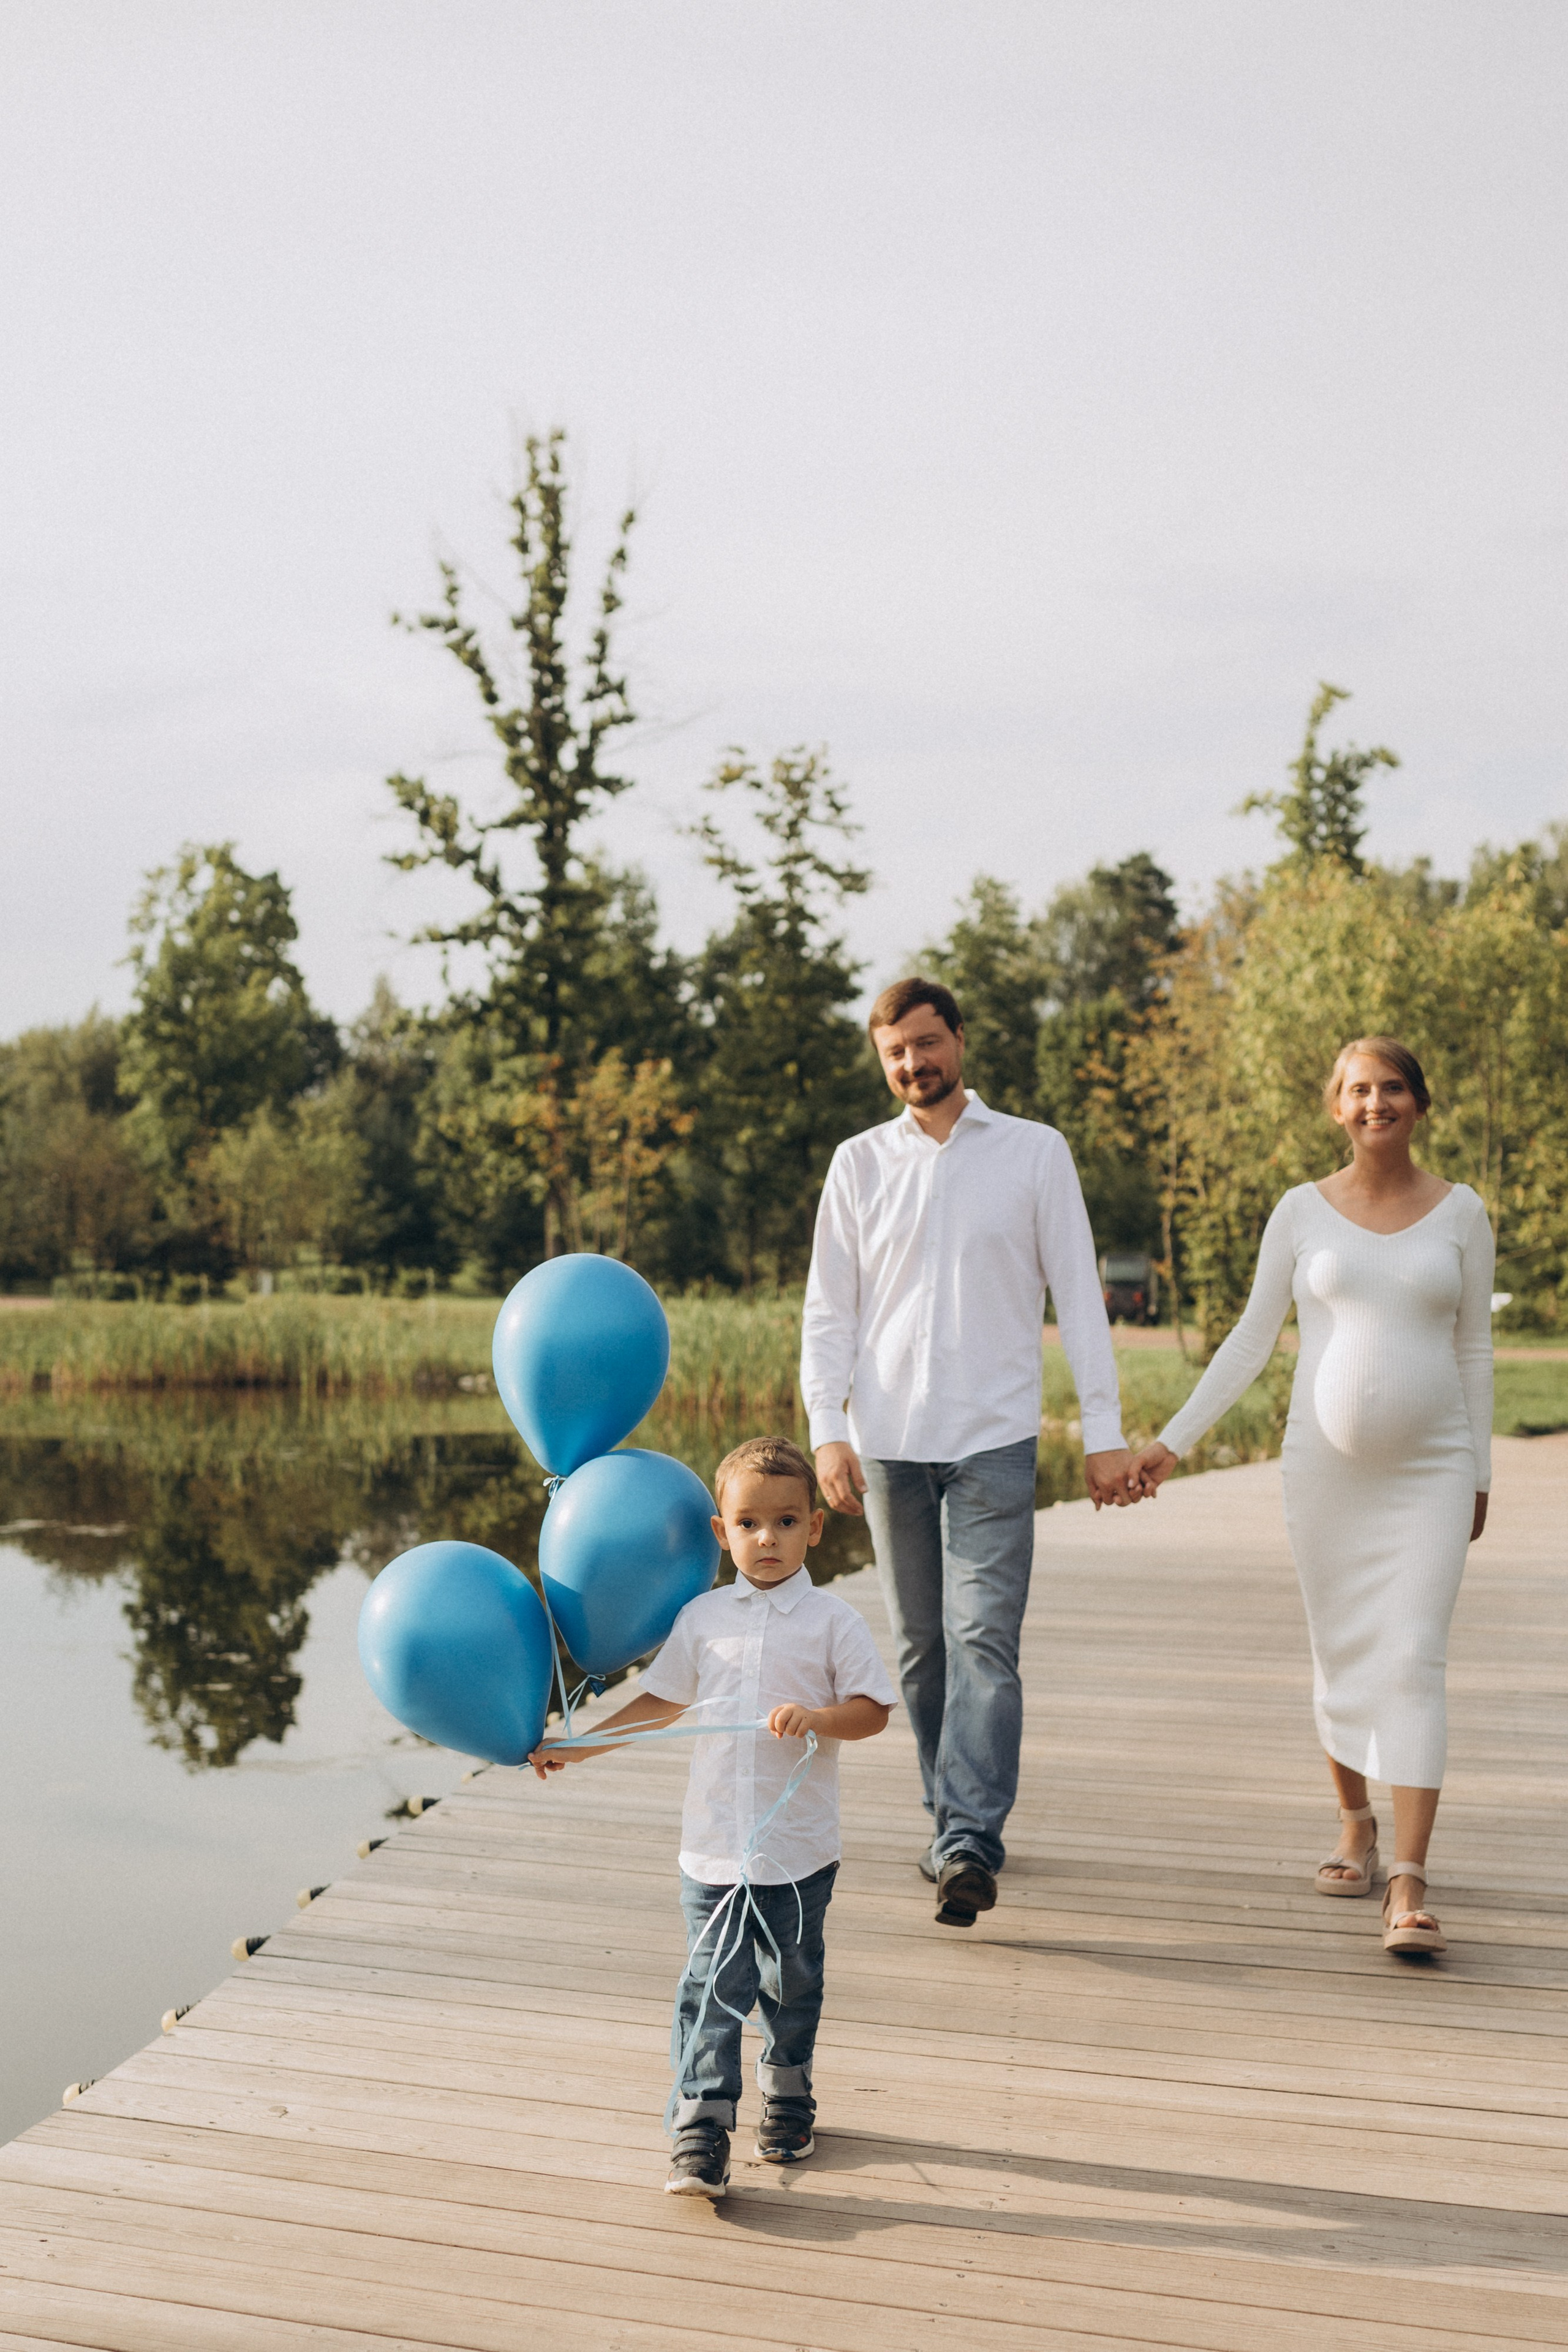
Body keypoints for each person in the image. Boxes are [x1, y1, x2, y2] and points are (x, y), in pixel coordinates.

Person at [1128, 1038, 1494, 1958]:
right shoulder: (1300, 1212)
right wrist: (1173, 1444)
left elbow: (1474, 1350)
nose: (1377, 1102)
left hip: (1433, 1471)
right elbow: (1252, 1341)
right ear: (1336, 1106)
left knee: (1413, 1656)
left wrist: (1483, 1472)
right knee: (1341, 1652)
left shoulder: (1462, 1212)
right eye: (1359, 1090)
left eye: (1394, 1087)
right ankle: (1355, 1823)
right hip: (1323, 1475)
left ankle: (1408, 1877)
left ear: (1419, 1102)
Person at [801, 976, 1137, 1930]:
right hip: (891, 1443)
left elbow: (1079, 1296)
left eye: (925, 1042)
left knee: (984, 1637)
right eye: (895, 1052)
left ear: (960, 1040)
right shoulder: (858, 1165)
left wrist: (1103, 1435)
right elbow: (830, 1311)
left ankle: (969, 1842)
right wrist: (828, 1424)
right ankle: (949, 1819)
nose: (914, 1063)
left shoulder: (1034, 1153)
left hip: (995, 1439)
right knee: (920, 1650)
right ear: (883, 1062)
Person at [528, 1435, 894, 2199]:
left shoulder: (832, 1622)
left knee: (791, 1984)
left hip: (798, 1853)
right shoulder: (700, 1618)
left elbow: (871, 1714)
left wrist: (818, 1718)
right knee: (711, 1985)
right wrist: (580, 1748)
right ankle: (700, 2126)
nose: (768, 1539)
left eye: (787, 1522)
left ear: (814, 1530)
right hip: (714, 1850)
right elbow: (660, 1702)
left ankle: (788, 2094)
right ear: (721, 1534)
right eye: (750, 1524)